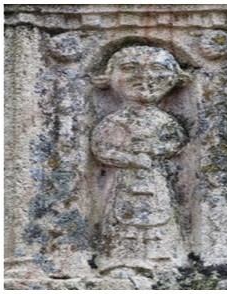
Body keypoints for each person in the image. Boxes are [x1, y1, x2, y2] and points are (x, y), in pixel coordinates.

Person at [90, 46, 188, 278]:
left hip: (156, 181)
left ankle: (163, 259)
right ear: (109, 77)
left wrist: (155, 150)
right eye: (130, 69)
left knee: (161, 217)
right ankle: (120, 261)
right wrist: (129, 159)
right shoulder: (115, 120)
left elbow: (177, 142)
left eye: (157, 69)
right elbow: (100, 148)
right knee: (122, 218)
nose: (144, 78)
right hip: (124, 182)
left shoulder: (165, 120)